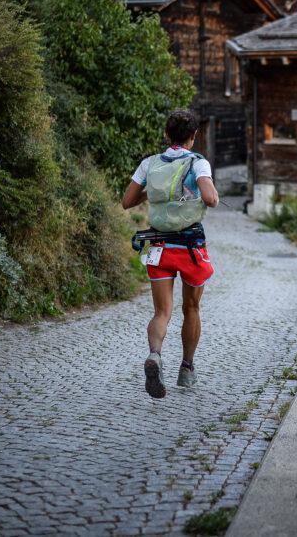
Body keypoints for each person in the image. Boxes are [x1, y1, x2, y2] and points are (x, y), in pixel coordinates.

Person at [121, 110, 219, 398]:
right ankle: (186, 370)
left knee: (161, 311)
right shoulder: (198, 163)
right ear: (193, 136)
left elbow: (127, 201)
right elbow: (211, 199)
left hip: (159, 246)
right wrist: (207, 189)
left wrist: (151, 192)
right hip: (189, 248)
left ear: (167, 134)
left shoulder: (149, 163)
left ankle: (155, 355)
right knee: (191, 308)